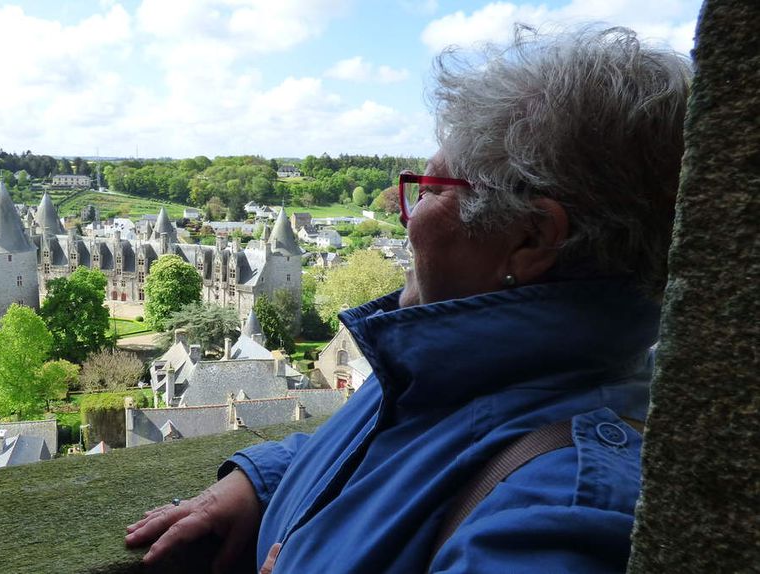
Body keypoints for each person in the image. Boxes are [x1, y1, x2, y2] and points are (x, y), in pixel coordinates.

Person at [125, 25, 692, 573]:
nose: (409, 217)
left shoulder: (561, 506)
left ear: (529, 238)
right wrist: (262, 478)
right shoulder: (462, 370)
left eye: (432, 190)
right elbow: (406, 451)